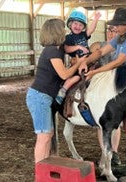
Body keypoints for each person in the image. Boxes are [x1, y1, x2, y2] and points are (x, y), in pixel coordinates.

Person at [79, 8, 126, 182]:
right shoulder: (120, 37)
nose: (114, 28)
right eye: (114, 25)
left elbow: (118, 61)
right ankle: (118, 162)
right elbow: (101, 51)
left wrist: (95, 73)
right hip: (121, 85)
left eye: (118, 25)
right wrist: (85, 61)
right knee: (119, 123)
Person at [26, 18, 85, 164]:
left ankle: (45, 166)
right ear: (57, 31)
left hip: (44, 97)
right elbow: (64, 74)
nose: (65, 31)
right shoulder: (52, 51)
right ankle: (40, 172)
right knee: (44, 136)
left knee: (48, 134)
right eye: (62, 29)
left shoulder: (56, 50)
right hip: (40, 96)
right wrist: (78, 64)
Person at [90, 25, 123, 170]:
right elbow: (91, 51)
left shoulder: (122, 47)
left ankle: (114, 152)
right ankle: (105, 152)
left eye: (114, 31)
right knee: (101, 123)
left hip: (115, 85)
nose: (111, 33)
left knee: (117, 124)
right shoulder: (100, 45)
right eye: (109, 30)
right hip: (100, 84)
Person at [55, 10, 101, 104]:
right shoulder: (68, 38)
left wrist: (95, 19)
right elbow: (67, 49)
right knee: (77, 77)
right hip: (78, 63)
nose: (77, 26)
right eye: (75, 24)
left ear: (83, 27)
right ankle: (63, 91)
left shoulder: (83, 35)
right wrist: (79, 47)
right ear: (70, 24)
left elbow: (91, 29)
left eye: (80, 25)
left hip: (88, 60)